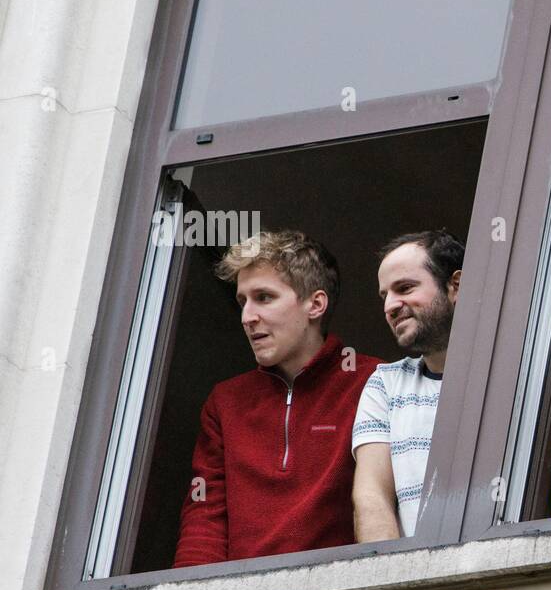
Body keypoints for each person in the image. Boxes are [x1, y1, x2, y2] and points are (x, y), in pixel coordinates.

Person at [174, 231, 381, 568]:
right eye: (243, 301)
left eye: (264, 297)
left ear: (315, 304)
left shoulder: (375, 380)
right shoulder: (225, 402)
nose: (247, 317)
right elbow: (205, 515)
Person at [352, 229, 463, 539]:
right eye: (385, 295)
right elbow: (371, 497)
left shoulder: (510, 369)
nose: (390, 306)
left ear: (456, 285)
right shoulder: (385, 384)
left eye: (404, 288)